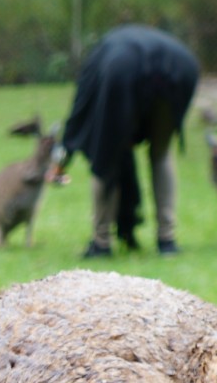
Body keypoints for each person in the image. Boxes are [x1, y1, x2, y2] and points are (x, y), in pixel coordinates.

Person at [59, 24, 199, 257]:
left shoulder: (96, 63)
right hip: (181, 64)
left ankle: (101, 242)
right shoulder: (108, 52)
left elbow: (78, 112)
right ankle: (167, 240)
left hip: (124, 68)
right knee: (161, 153)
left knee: (105, 153)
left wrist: (63, 156)